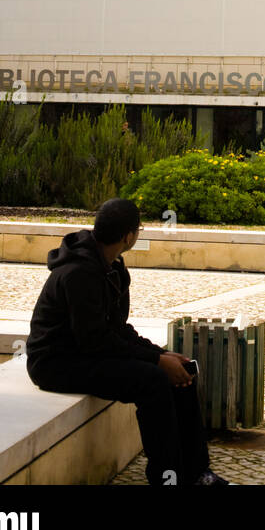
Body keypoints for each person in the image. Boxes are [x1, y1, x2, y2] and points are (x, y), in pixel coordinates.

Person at [25, 197, 229, 486]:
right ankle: (166, 478)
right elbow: (95, 341)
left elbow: (117, 330)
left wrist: (162, 354)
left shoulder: (112, 267)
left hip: (85, 352)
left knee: (183, 372)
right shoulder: (79, 273)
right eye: (139, 229)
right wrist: (156, 362)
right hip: (56, 362)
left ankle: (197, 473)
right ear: (128, 236)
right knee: (153, 381)